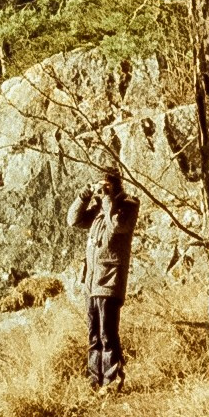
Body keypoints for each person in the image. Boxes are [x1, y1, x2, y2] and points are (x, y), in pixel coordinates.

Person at [68, 161, 140, 391]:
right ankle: (94, 380)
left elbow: (117, 226)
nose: (102, 189)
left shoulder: (127, 205)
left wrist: (109, 199)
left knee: (108, 334)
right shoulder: (99, 209)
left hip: (110, 280)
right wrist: (85, 195)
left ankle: (112, 381)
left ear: (115, 184)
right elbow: (73, 220)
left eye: (105, 184)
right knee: (93, 335)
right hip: (91, 282)